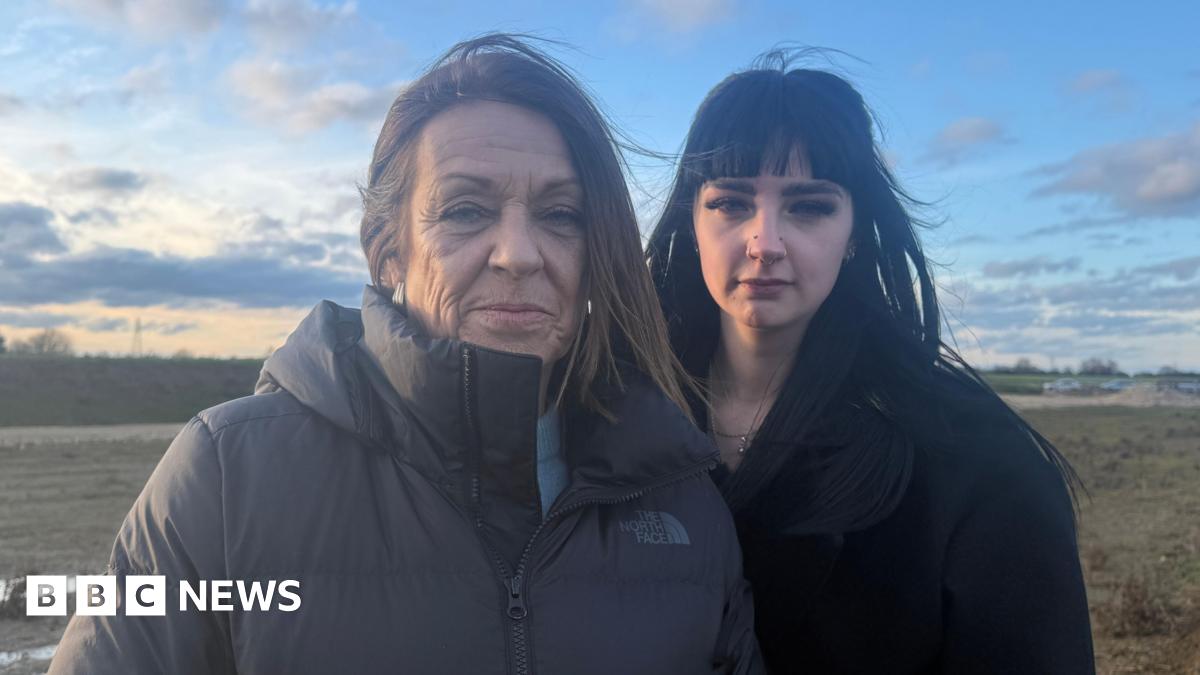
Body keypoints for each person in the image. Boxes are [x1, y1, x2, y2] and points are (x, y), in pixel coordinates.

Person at [50, 35, 761, 675]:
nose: (518, 254)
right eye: (466, 210)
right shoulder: (225, 478)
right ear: (388, 251)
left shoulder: (682, 498)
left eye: (560, 215)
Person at [646, 51, 1095, 673]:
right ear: (691, 220)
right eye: (730, 203)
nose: (764, 243)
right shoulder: (612, 422)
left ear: (855, 232)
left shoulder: (973, 462)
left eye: (809, 206)